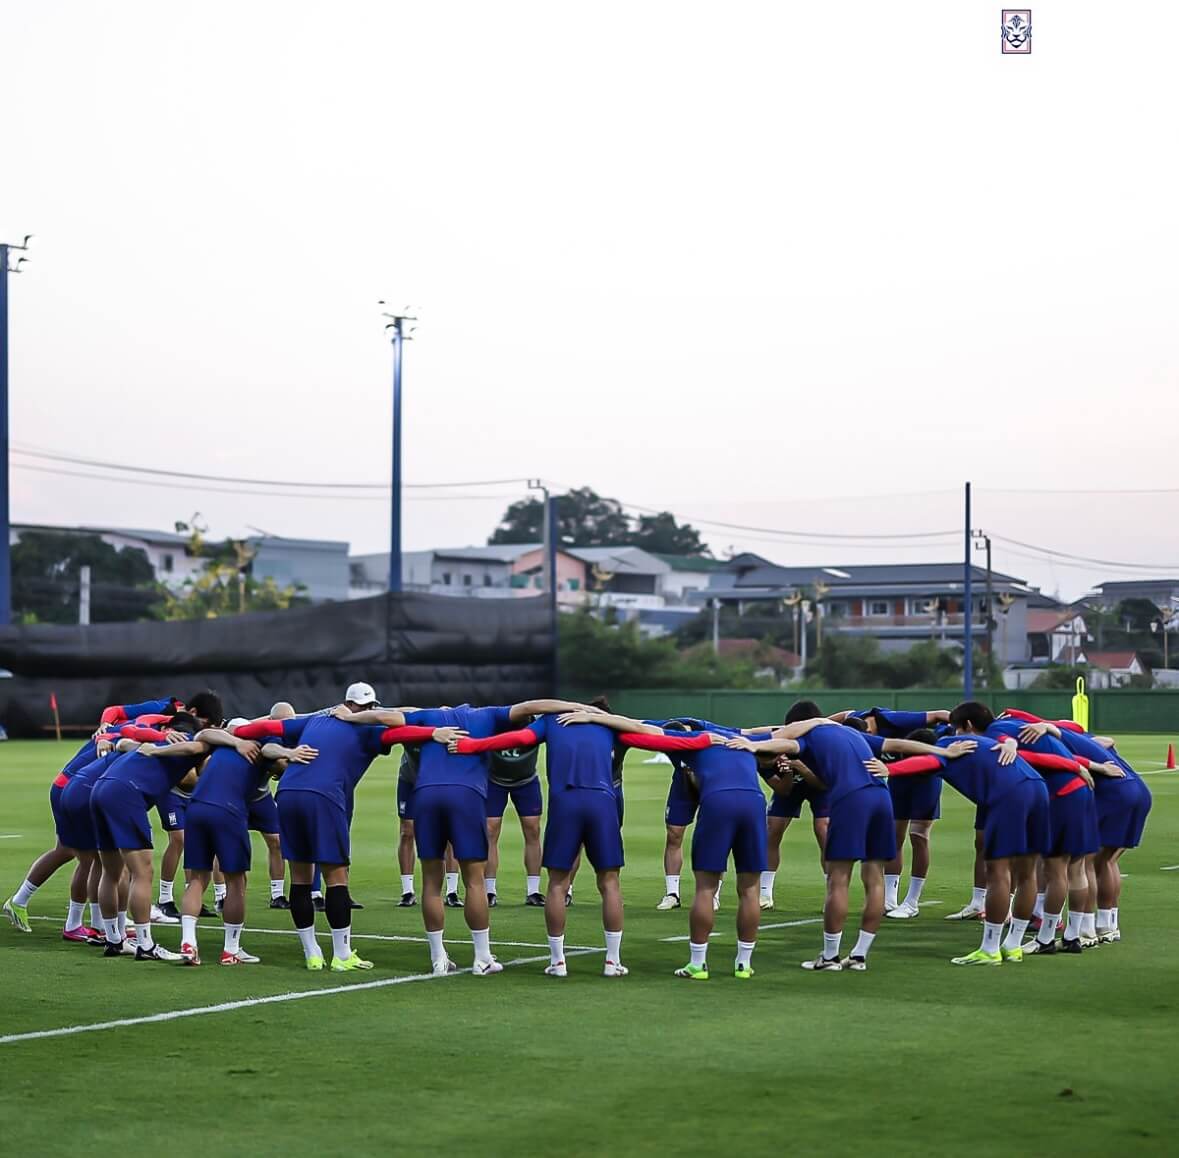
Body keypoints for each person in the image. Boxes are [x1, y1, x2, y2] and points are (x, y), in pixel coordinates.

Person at [339, 696, 593, 976]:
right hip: (466, 796)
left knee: (432, 881)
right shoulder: (489, 716)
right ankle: (482, 958)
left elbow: (383, 717)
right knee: (474, 880)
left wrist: (350, 717)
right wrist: (582, 709)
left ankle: (438, 959)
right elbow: (535, 706)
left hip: (425, 796)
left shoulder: (428, 715)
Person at [233, 683, 444, 973]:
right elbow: (404, 722)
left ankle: (312, 954)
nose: (372, 711)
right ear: (361, 706)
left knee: (301, 877)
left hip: (288, 792)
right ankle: (342, 955)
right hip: (325, 796)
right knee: (336, 876)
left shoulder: (317, 718)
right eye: (369, 707)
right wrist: (435, 730)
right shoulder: (371, 727)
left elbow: (261, 730)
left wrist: (236, 735)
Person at [449, 701, 637, 977]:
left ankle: (558, 962)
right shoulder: (609, 726)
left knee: (557, 885)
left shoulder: (552, 722)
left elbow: (518, 738)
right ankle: (612, 962)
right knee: (609, 882)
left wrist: (471, 746)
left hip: (565, 804)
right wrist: (603, 718)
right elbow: (650, 733)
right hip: (603, 802)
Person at [884, 701, 1055, 965]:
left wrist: (889, 769)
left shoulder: (944, 749)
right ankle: (1013, 945)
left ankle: (989, 949)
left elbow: (925, 762)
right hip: (1038, 789)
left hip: (1009, 796)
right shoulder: (982, 740)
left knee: (998, 872)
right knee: (1027, 872)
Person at [2, 698, 185, 935]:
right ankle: (89, 924)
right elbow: (119, 728)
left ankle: (43, 909)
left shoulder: (131, 728)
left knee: (77, 853)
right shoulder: (140, 730)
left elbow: (116, 724)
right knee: (99, 859)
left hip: (70, 787)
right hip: (77, 790)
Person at [160, 720, 318, 966]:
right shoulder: (259, 743)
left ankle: (188, 943)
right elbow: (269, 751)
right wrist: (289, 753)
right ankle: (230, 950)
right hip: (228, 811)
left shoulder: (220, 744)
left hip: (196, 808)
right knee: (236, 882)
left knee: (198, 879)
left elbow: (205, 733)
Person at [88, 712, 226, 961]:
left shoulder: (156, 740)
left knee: (111, 871)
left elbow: (122, 743)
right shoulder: (190, 741)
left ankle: (113, 940)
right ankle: (145, 945)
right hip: (126, 793)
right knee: (142, 872)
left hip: (100, 789)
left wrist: (153, 747)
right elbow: (199, 744)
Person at [484, 742, 545, 906]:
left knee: (533, 830)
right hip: (493, 780)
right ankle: (489, 890)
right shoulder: (494, 719)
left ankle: (533, 891)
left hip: (526, 781)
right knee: (490, 830)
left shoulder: (534, 723)